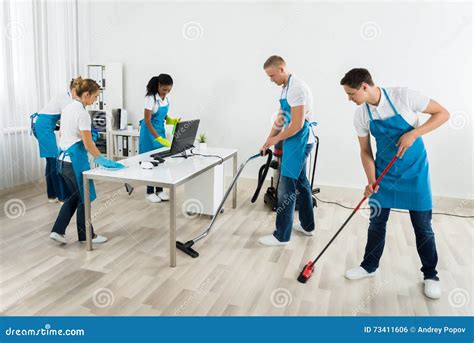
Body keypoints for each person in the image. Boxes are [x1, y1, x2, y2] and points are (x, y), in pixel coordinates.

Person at [340, 68, 450, 299]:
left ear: (364, 87)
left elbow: (442, 113)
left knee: (423, 227)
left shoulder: (404, 96)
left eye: (351, 94)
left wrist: (414, 133)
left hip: (415, 172)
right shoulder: (361, 115)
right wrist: (371, 180)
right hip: (384, 174)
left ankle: (431, 275)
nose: (349, 99)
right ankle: (369, 266)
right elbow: (365, 151)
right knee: (376, 223)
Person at [49, 78, 125, 244]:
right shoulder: (83, 113)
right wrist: (102, 159)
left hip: (62, 161)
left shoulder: (67, 108)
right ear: (87, 94)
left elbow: (62, 134)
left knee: (75, 197)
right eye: (95, 96)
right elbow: (88, 144)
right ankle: (86, 236)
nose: (95, 100)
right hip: (74, 163)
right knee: (84, 197)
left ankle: (58, 230)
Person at [259, 55, 316, 246]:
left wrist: (276, 139)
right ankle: (308, 226)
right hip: (292, 140)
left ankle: (281, 236)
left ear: (282, 69)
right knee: (301, 182)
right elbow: (282, 118)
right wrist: (268, 140)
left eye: (273, 75)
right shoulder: (286, 88)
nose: (271, 80)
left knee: (286, 187)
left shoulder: (297, 88)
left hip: (300, 140)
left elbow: (298, 125)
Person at [30, 78, 80, 202]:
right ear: (73, 89)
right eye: (78, 92)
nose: (79, 96)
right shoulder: (67, 100)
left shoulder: (66, 97)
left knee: (51, 161)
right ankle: (62, 196)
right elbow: (65, 122)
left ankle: (52, 195)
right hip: (43, 127)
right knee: (55, 161)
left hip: (42, 125)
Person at [139, 74, 181, 203]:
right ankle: (149, 192)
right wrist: (157, 138)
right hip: (149, 133)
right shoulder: (150, 98)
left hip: (160, 131)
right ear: (158, 85)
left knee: (161, 161)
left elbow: (163, 114)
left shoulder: (166, 97)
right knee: (149, 162)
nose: (166, 92)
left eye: (169, 90)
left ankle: (160, 190)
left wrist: (170, 120)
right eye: (164, 90)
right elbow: (147, 121)